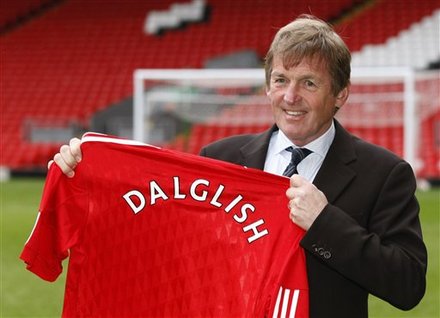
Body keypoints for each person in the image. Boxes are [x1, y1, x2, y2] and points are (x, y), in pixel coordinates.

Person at [49, 14, 427, 318]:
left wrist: (324, 222)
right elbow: (166, 242)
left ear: (340, 94)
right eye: (280, 80)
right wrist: (88, 178)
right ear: (267, 87)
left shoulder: (384, 174)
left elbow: (408, 286)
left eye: (309, 83)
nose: (290, 96)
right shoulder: (221, 159)